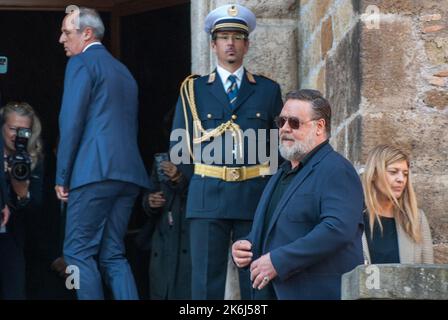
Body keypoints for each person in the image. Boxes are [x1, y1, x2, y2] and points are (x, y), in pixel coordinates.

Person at [170, 4, 283, 299]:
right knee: (205, 287)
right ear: (213, 44)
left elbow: (277, 149)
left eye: (236, 36)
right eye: (223, 37)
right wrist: (206, 177)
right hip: (207, 198)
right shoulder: (193, 90)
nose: (230, 43)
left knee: (257, 283)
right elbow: (180, 149)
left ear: (247, 44)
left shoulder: (268, 91)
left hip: (253, 199)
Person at [232, 89, 364, 300]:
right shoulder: (280, 174)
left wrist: (278, 261)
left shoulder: (336, 169)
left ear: (319, 126)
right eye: (281, 121)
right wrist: (245, 247)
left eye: (294, 122)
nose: (284, 128)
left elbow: (337, 229)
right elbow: (277, 230)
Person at [55, 7, 150, 300]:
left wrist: (62, 175)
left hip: (92, 172)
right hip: (129, 175)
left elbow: (71, 122)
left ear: (87, 34)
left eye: (67, 33)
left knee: (76, 253)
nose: (61, 39)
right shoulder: (124, 71)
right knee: (113, 254)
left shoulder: (82, 63)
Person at [0, 102, 44, 299]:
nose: (16, 136)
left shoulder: (33, 158)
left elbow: (38, 209)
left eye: (24, 131)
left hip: (13, 238)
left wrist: (23, 193)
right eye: (12, 128)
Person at [361, 144, 434, 264]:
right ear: (374, 174)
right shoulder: (354, 217)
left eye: (405, 174)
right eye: (393, 172)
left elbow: (428, 273)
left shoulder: (416, 218)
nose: (401, 179)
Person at [141, 156, 191, 300]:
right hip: (163, 239)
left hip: (189, 236)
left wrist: (180, 179)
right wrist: (150, 201)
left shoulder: (203, 155)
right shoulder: (161, 159)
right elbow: (150, 191)